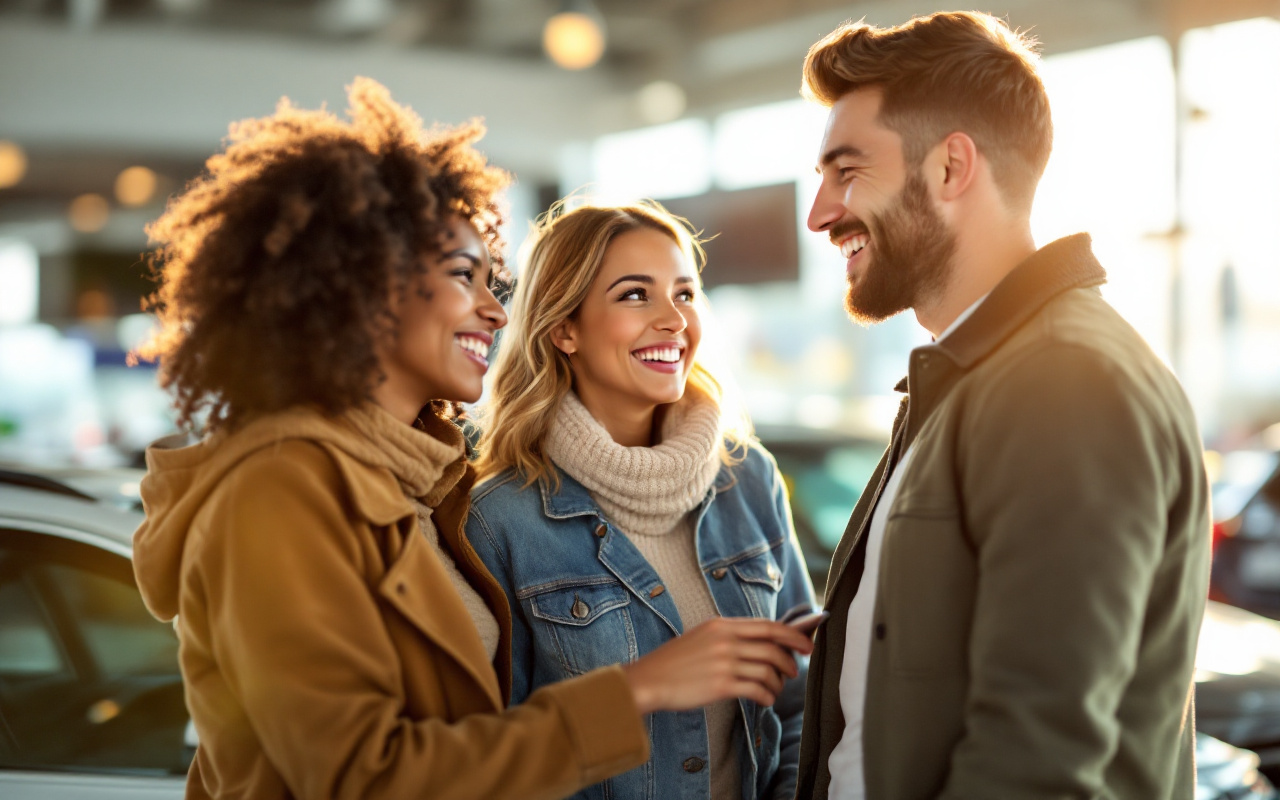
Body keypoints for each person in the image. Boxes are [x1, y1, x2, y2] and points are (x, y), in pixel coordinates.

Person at [129, 79, 810, 800]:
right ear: (365, 287)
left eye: (494, 281)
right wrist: (636, 691)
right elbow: (357, 776)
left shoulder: (423, 487)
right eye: (464, 277)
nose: (493, 309)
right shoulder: (279, 492)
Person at [794, 12, 1210, 800]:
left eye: (846, 171)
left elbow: (1036, 761)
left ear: (951, 167)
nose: (819, 213)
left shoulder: (1062, 382)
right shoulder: (974, 377)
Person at [467, 201, 817, 800]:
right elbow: (492, 761)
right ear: (564, 328)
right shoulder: (499, 521)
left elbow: (800, 706)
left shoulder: (749, 476)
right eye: (636, 295)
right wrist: (641, 686)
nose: (675, 320)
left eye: (685, 293)